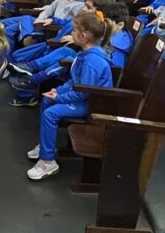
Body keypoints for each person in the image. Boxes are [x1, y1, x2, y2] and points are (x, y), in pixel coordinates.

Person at [25, 11, 114, 180]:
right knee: (47, 101)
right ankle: (45, 146)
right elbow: (74, 81)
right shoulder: (84, 53)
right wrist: (58, 91)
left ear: (84, 36)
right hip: (84, 97)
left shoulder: (92, 61)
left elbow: (83, 92)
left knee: (51, 113)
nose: (71, 33)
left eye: (74, 30)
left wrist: (59, 98)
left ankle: (47, 162)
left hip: (92, 104)